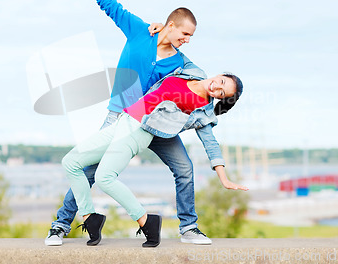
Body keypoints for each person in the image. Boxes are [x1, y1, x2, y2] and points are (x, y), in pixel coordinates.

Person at [45, 0, 210, 245]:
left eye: (190, 37)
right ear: (170, 24)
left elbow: (204, 81)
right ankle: (61, 224)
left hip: (156, 123)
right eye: (184, 33)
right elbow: (108, 4)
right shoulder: (138, 31)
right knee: (89, 169)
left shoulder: (181, 63)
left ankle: (188, 228)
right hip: (120, 115)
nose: (187, 40)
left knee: (184, 168)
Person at [62, 67, 249, 247]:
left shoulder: (203, 111)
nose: (216, 88)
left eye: (222, 93)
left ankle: (146, 221)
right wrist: (156, 32)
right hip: (125, 118)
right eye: (221, 82)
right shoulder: (191, 71)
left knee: (104, 178)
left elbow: (211, 145)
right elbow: (168, 45)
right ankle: (89, 218)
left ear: (219, 99)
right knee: (71, 162)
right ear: (220, 75)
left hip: (140, 130)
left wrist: (223, 178)